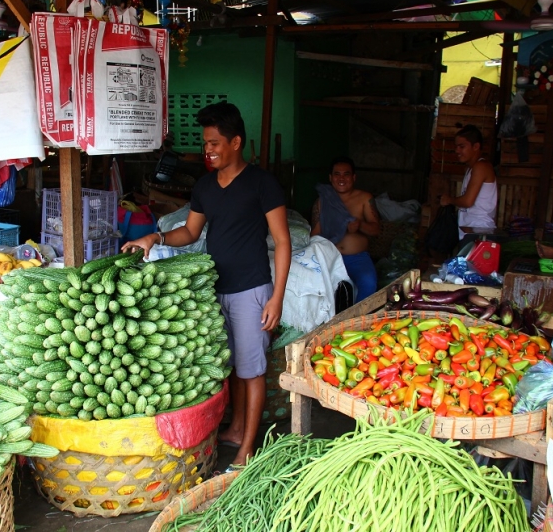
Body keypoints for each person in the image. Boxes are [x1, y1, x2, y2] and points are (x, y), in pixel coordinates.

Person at [122, 101, 291, 467]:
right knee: (230, 367)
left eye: (214, 143)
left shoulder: (262, 184)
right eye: (205, 143)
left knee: (253, 369)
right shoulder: (205, 186)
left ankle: (247, 448)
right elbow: (190, 231)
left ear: (235, 143)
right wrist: (156, 238)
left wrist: (276, 297)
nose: (208, 150)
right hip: (216, 288)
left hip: (251, 288)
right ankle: (234, 430)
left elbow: (282, 241)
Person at [310, 156, 380, 303]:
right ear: (330, 178)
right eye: (337, 174)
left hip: (357, 258)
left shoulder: (364, 198)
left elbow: (376, 229)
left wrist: (359, 224)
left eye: (346, 174)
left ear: (354, 177)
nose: (341, 178)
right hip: (329, 257)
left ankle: (356, 321)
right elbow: (315, 235)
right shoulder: (322, 201)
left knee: (369, 283)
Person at [439, 125, 497, 247]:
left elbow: (468, 201)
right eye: (456, 147)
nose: (457, 151)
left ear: (476, 146)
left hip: (480, 231)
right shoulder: (471, 168)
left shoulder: (481, 167)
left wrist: (449, 200)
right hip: (471, 230)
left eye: (462, 147)